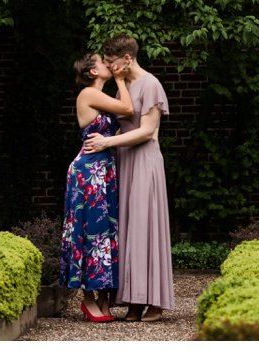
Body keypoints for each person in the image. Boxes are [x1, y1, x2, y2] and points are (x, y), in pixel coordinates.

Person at [82, 34, 172, 322]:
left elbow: (147, 130)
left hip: (145, 160)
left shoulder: (150, 84)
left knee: (146, 227)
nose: (109, 66)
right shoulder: (125, 86)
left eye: (111, 61)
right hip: (124, 161)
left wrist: (106, 143)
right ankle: (133, 301)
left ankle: (154, 301)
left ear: (127, 59)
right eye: (105, 62)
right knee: (128, 231)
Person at [59, 51, 133, 323]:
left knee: (104, 233)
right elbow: (127, 109)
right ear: (93, 71)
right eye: (103, 62)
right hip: (88, 173)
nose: (107, 65)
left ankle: (101, 297)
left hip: (104, 171)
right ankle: (88, 299)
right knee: (90, 232)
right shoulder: (88, 94)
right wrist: (122, 80)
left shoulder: (101, 99)